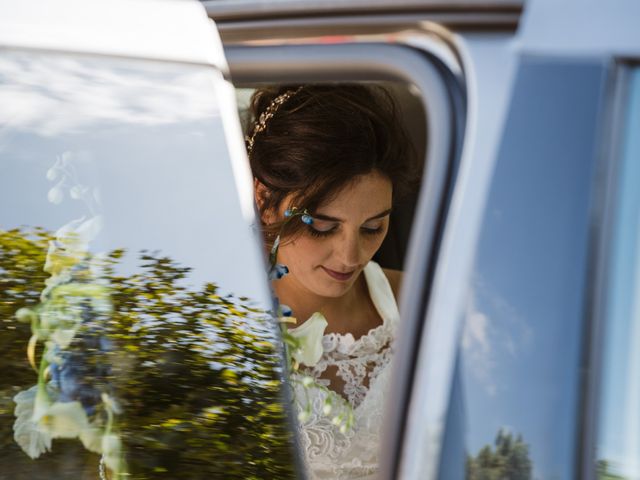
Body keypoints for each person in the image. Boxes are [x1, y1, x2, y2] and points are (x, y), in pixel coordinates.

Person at [246, 84, 418, 479]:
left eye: (373, 227)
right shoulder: (221, 324)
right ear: (264, 199)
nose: (350, 256)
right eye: (323, 226)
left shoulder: (418, 302)